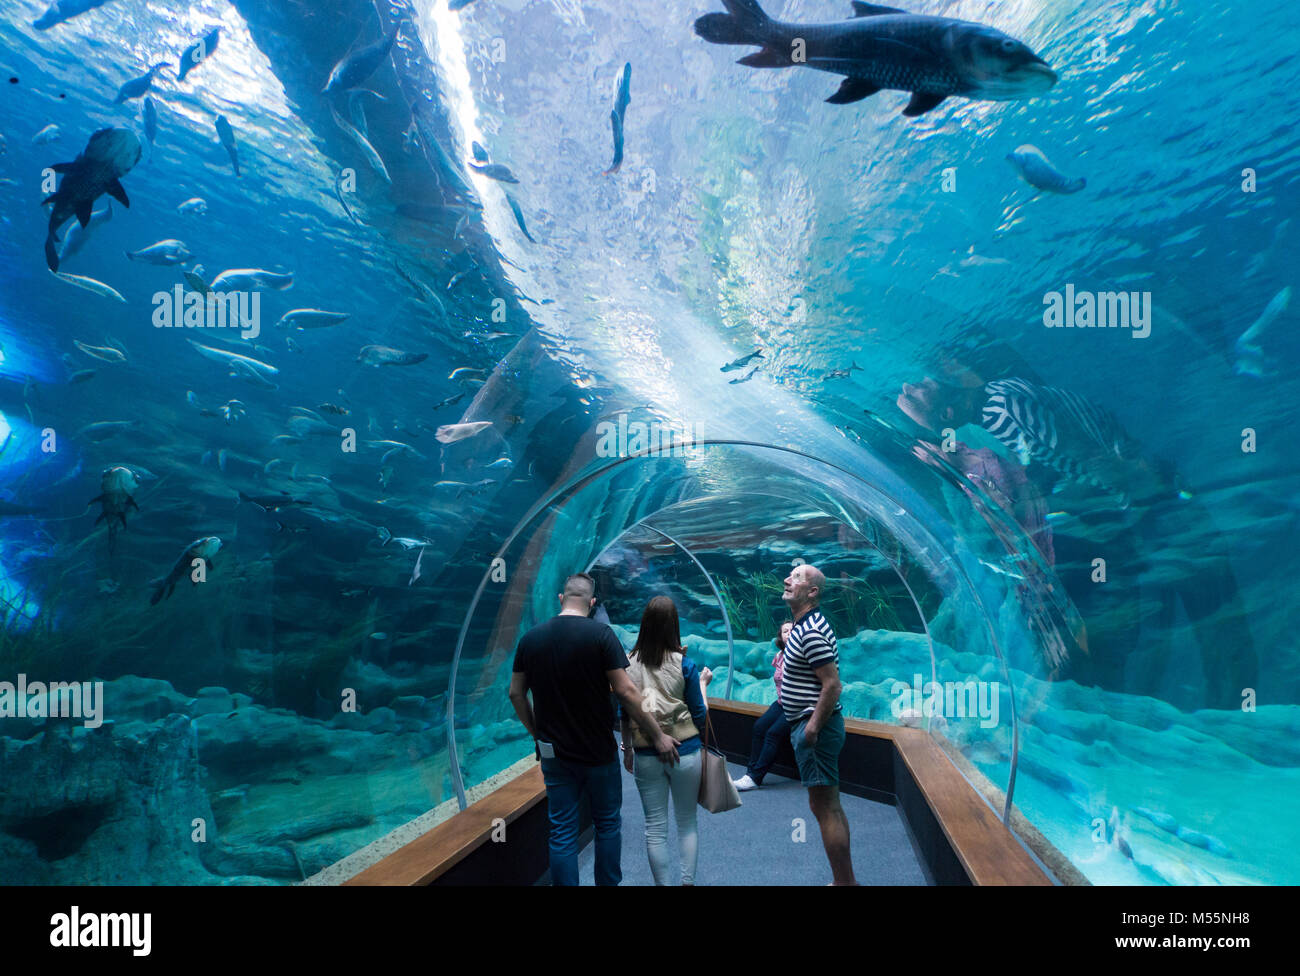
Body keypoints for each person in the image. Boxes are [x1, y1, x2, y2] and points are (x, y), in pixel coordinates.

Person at [509, 573, 681, 886]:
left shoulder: (530, 639)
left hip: (554, 754)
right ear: (591, 603)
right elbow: (627, 692)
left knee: (561, 829)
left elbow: (515, 693)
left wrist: (537, 733)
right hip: (598, 752)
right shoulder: (602, 636)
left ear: (560, 599)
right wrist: (657, 735)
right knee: (607, 824)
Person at [619, 596, 713, 886]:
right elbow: (700, 713)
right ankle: (687, 883)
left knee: (655, 829)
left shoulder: (626, 665)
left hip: (646, 753)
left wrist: (627, 748)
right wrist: (702, 685)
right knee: (687, 823)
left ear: (643, 625)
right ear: (674, 626)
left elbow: (623, 711)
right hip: (685, 752)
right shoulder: (685, 664)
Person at [780, 564, 857, 886]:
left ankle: (845, 882)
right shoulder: (802, 625)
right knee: (827, 806)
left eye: (796, 578)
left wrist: (811, 728)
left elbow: (833, 685)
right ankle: (845, 881)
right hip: (813, 726)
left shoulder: (810, 630)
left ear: (812, 592)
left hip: (816, 729)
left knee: (826, 808)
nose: (787, 580)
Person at [733, 620, 793, 792]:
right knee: (759, 727)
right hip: (782, 702)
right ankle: (750, 773)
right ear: (780, 637)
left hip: (798, 704)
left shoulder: (801, 655)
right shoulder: (779, 656)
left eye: (792, 630)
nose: (789, 633)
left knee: (773, 734)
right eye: (785, 631)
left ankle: (755, 778)